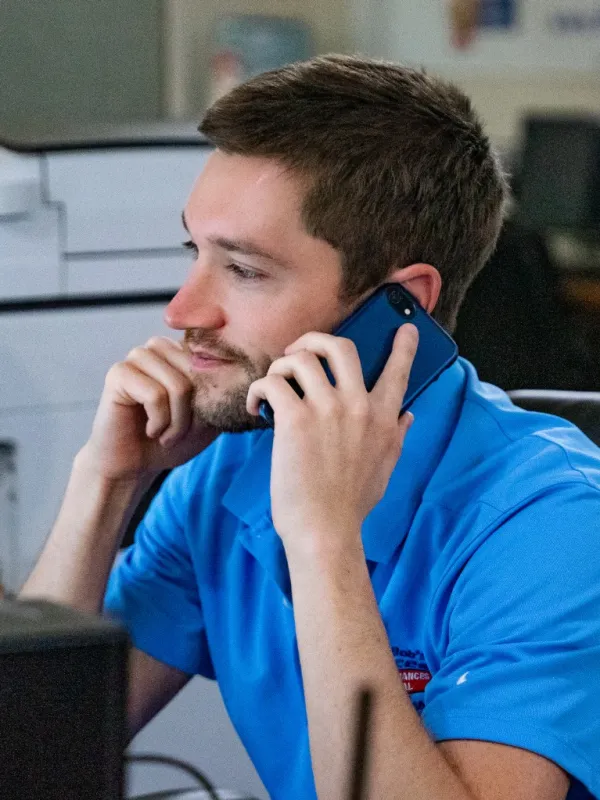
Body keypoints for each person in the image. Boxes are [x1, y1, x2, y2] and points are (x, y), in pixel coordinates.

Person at [20, 55, 600, 800]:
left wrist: (325, 540)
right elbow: (31, 753)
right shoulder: (227, 472)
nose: (182, 310)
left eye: (244, 270)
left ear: (401, 305)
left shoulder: (553, 523)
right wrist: (105, 484)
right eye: (195, 252)